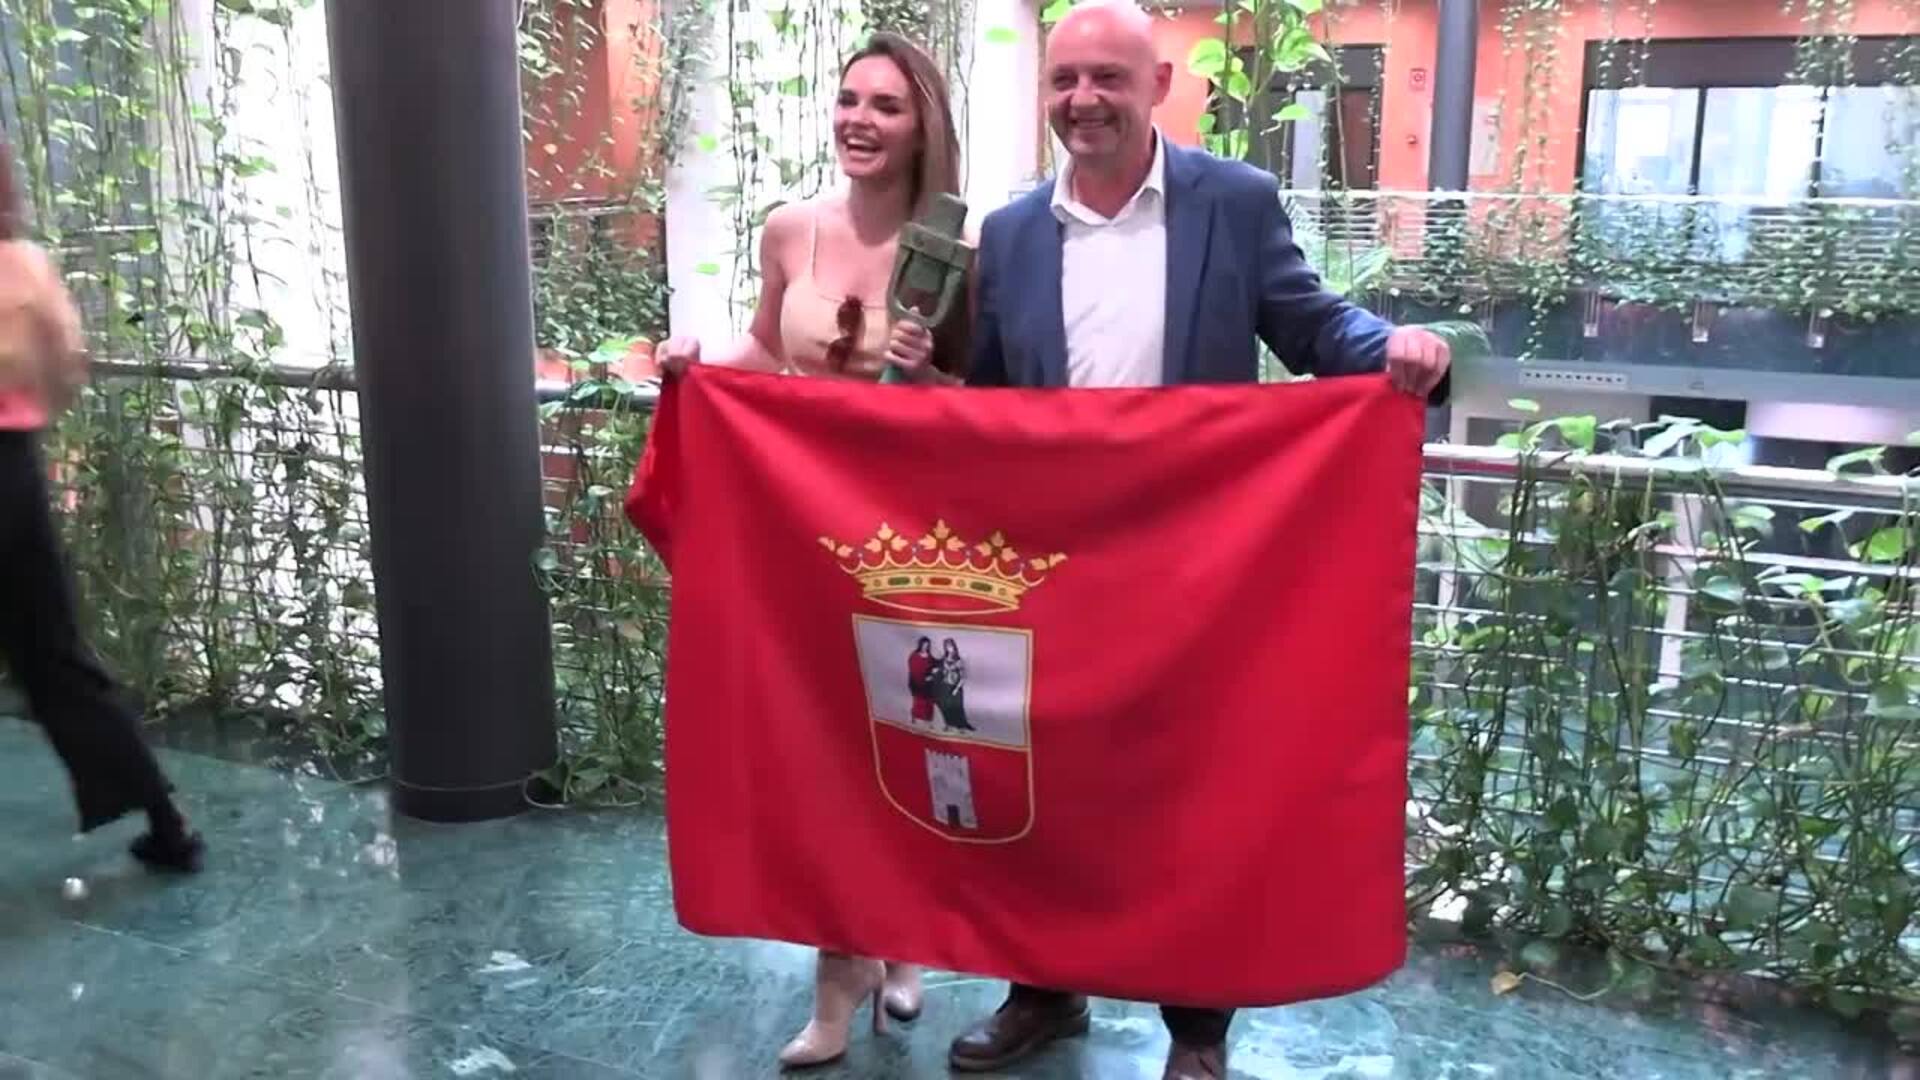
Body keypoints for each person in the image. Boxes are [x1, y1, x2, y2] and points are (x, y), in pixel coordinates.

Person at [887, 4, 1449, 1078]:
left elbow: (1311, 324)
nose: (1083, 100)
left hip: (1198, 565)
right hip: (1057, 565)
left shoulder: (1233, 202)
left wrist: (1397, 347)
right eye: (1065, 81)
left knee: (1196, 791)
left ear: (1158, 85)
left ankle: (1197, 1034)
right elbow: (997, 401)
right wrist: (925, 394)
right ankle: (1042, 992)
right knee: (1048, 783)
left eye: (1108, 77)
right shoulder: (1012, 232)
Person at [655, 31, 963, 1069]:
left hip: (912, 539)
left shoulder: (962, 246)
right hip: (803, 535)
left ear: (921, 126)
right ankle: (840, 979)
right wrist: (696, 365)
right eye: (849, 100)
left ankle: (902, 942)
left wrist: (932, 376)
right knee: (822, 753)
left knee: (904, 742)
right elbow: (761, 347)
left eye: (886, 105)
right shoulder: (790, 229)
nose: (859, 121)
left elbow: (989, 399)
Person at [0, 138, 204, 875]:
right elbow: (68, 365)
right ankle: (167, 822)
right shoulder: (26, 264)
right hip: (15, 469)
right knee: (56, 654)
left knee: (50, 655)